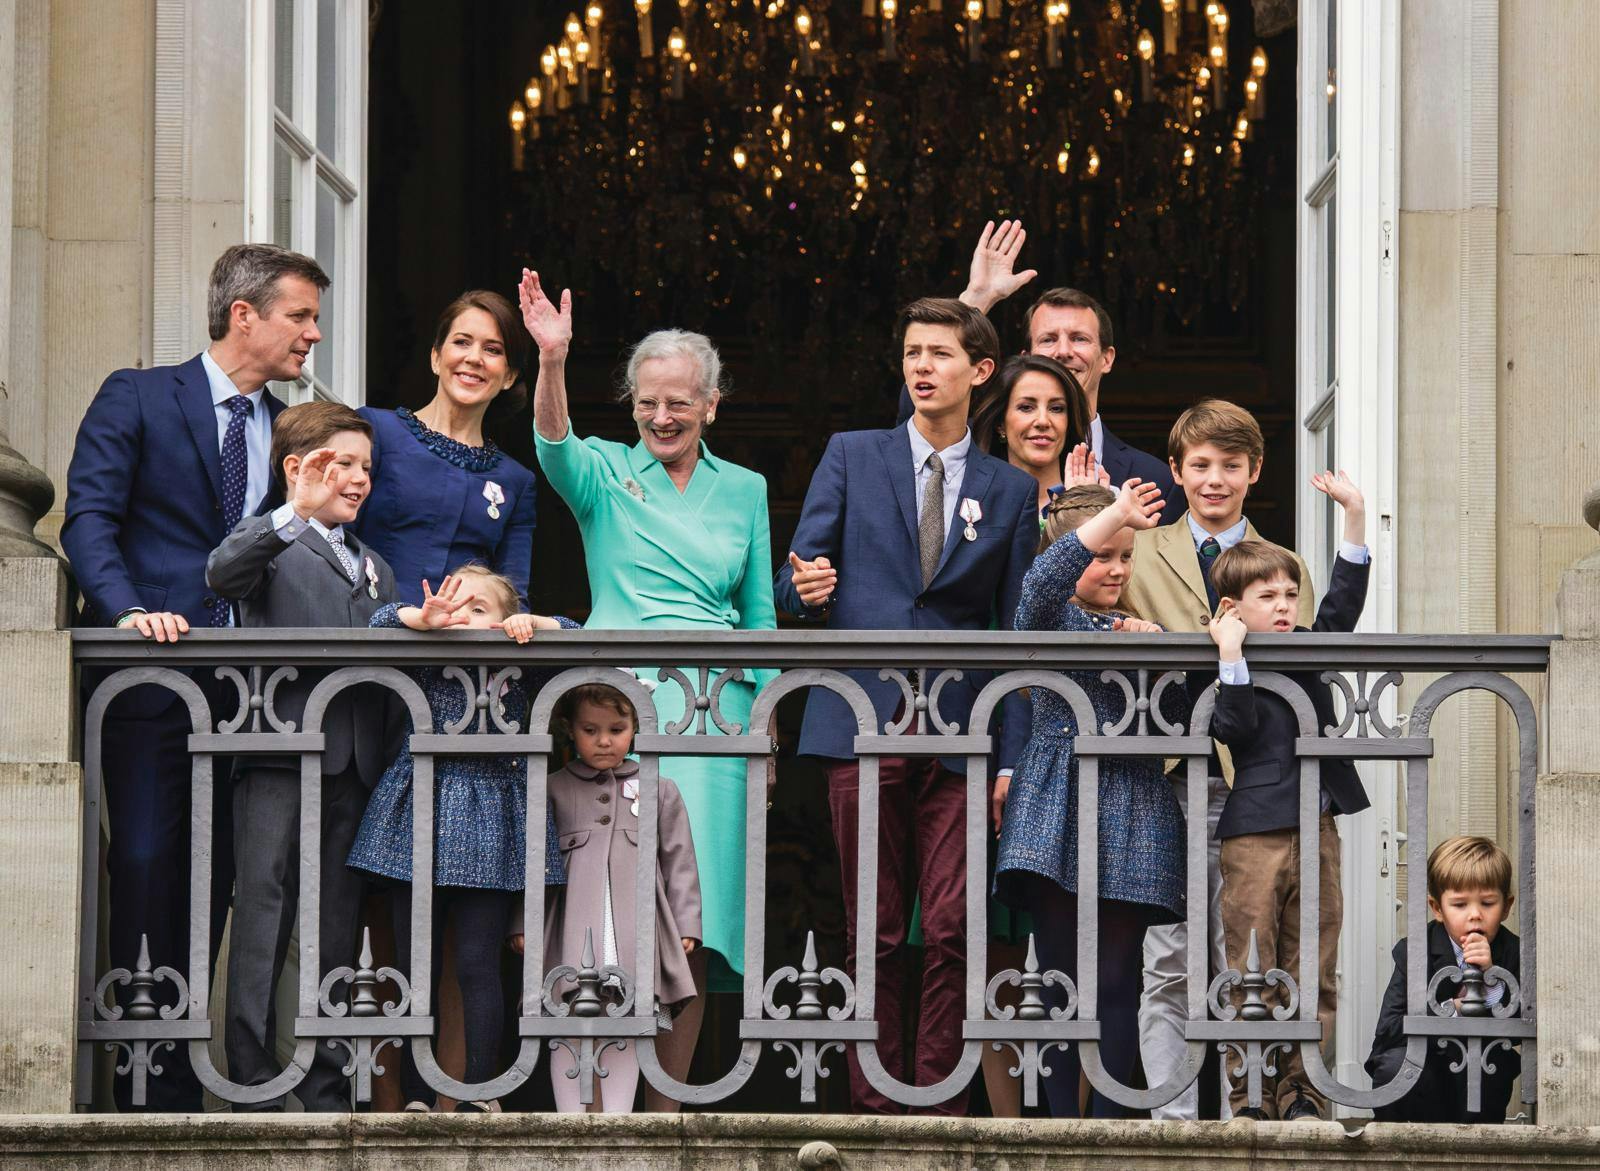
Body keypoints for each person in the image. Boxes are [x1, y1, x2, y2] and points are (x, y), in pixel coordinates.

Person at [60, 242, 325, 1111]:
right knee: (142, 863)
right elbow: (89, 520)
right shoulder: (137, 394)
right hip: (150, 684)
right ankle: (139, 1082)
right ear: (243, 313)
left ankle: (185, 1077)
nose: (313, 334)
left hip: (253, 695)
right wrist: (127, 609)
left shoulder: (291, 429)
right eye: (301, 315)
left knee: (224, 886)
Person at [519, 270, 776, 1108]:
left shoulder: (745, 489)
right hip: (621, 707)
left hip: (718, 714)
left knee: (694, 915)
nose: (661, 417)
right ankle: (596, 1097)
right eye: (646, 403)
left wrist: (763, 733)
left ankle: (667, 1105)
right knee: (610, 902)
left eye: (679, 403)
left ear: (711, 404)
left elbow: (760, 617)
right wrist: (552, 358)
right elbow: (553, 446)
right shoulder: (601, 473)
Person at [775, 297, 1037, 1116]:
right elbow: (793, 584)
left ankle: (941, 1101)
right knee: (874, 929)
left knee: (956, 928)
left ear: (980, 371)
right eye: (912, 351)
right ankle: (877, 1103)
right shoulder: (852, 455)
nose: (922, 366)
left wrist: (1011, 757)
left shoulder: (1010, 488)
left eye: (940, 353)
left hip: (960, 733)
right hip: (861, 721)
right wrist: (806, 590)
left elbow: (1020, 632)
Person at [1119, 397, 1315, 1121]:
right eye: (1198, 465)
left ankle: (1246, 1116)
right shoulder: (1140, 549)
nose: (1213, 479)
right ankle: (1170, 1124)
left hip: (1255, 787)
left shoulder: (1284, 565)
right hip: (1168, 779)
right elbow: (1076, 596)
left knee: (1250, 959)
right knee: (1168, 958)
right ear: (1175, 470)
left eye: (1230, 465)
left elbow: (1306, 670)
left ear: (1254, 472)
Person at [206, 402, 397, 1111]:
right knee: (263, 909)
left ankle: (323, 1083)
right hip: (279, 755)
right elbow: (223, 575)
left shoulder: (375, 565)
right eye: (341, 463)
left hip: (353, 763)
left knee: (335, 924)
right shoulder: (272, 540)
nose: (356, 478)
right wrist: (291, 512)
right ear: (297, 467)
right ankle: (252, 1079)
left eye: (365, 468)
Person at [346, 566, 574, 1113]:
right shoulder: (429, 655)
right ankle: (420, 1094)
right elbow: (377, 624)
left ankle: (478, 1090)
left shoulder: (521, 670)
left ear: (505, 620)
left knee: (476, 961)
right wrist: (421, 620)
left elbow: (574, 632)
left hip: (493, 823)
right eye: (456, 605)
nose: (464, 618)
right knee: (411, 962)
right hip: (416, 818)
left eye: (480, 610)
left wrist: (533, 625)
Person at [995, 480, 1183, 1118]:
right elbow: (1040, 587)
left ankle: (1109, 1127)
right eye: (1106, 554)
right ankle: (1057, 1127)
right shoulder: (1050, 613)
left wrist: (1155, 654)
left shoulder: (1142, 627)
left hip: (1133, 805)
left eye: (1126, 556)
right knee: (1057, 980)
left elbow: (1180, 718)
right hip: (1057, 802)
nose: (1117, 567)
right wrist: (1111, 518)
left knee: (1118, 981)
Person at [1206, 469, 1371, 1121]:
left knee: (1314, 966)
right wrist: (1230, 658)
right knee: (1252, 969)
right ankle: (1250, 1093)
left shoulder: (1306, 647)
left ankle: (1304, 1089)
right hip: (1255, 831)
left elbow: (1343, 606)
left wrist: (1354, 516)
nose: (1283, 603)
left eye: (1289, 592)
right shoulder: (1227, 661)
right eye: (1266, 594)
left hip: (1319, 823)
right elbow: (1234, 728)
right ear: (1232, 608)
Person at [533, 683, 702, 1114]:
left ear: (635, 728)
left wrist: (687, 924)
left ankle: (619, 1122)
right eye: (591, 729)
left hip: (634, 930)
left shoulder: (660, 789)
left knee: (629, 1020)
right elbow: (530, 865)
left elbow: (679, 860)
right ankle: (570, 1120)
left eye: (617, 728)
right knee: (566, 1016)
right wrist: (522, 922)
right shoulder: (551, 787)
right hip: (571, 930)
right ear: (570, 730)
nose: (604, 740)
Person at [351, 291, 541, 607]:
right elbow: (332, 540)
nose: (474, 358)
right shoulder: (375, 430)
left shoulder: (516, 481)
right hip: (369, 636)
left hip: (461, 647)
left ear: (508, 376)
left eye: (492, 350)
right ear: (436, 357)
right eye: (462, 342)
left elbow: (513, 599)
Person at [1366, 836, 1522, 1124]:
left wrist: (1491, 977)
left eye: (1488, 903)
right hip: (1424, 1070)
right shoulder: (1414, 950)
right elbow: (1388, 1029)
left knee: (1497, 1064)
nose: (1475, 915)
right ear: (1437, 908)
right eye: (1460, 905)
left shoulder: (1513, 951)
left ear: (1507, 906)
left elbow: (1518, 1032)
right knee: (1395, 1067)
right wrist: (1452, 1008)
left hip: (1480, 1074)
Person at [970, 353, 1092, 518]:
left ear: (1069, 422)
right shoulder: (971, 506)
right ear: (1000, 424)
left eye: (1056, 408)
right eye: (1026, 407)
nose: (1043, 421)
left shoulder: (1103, 507)